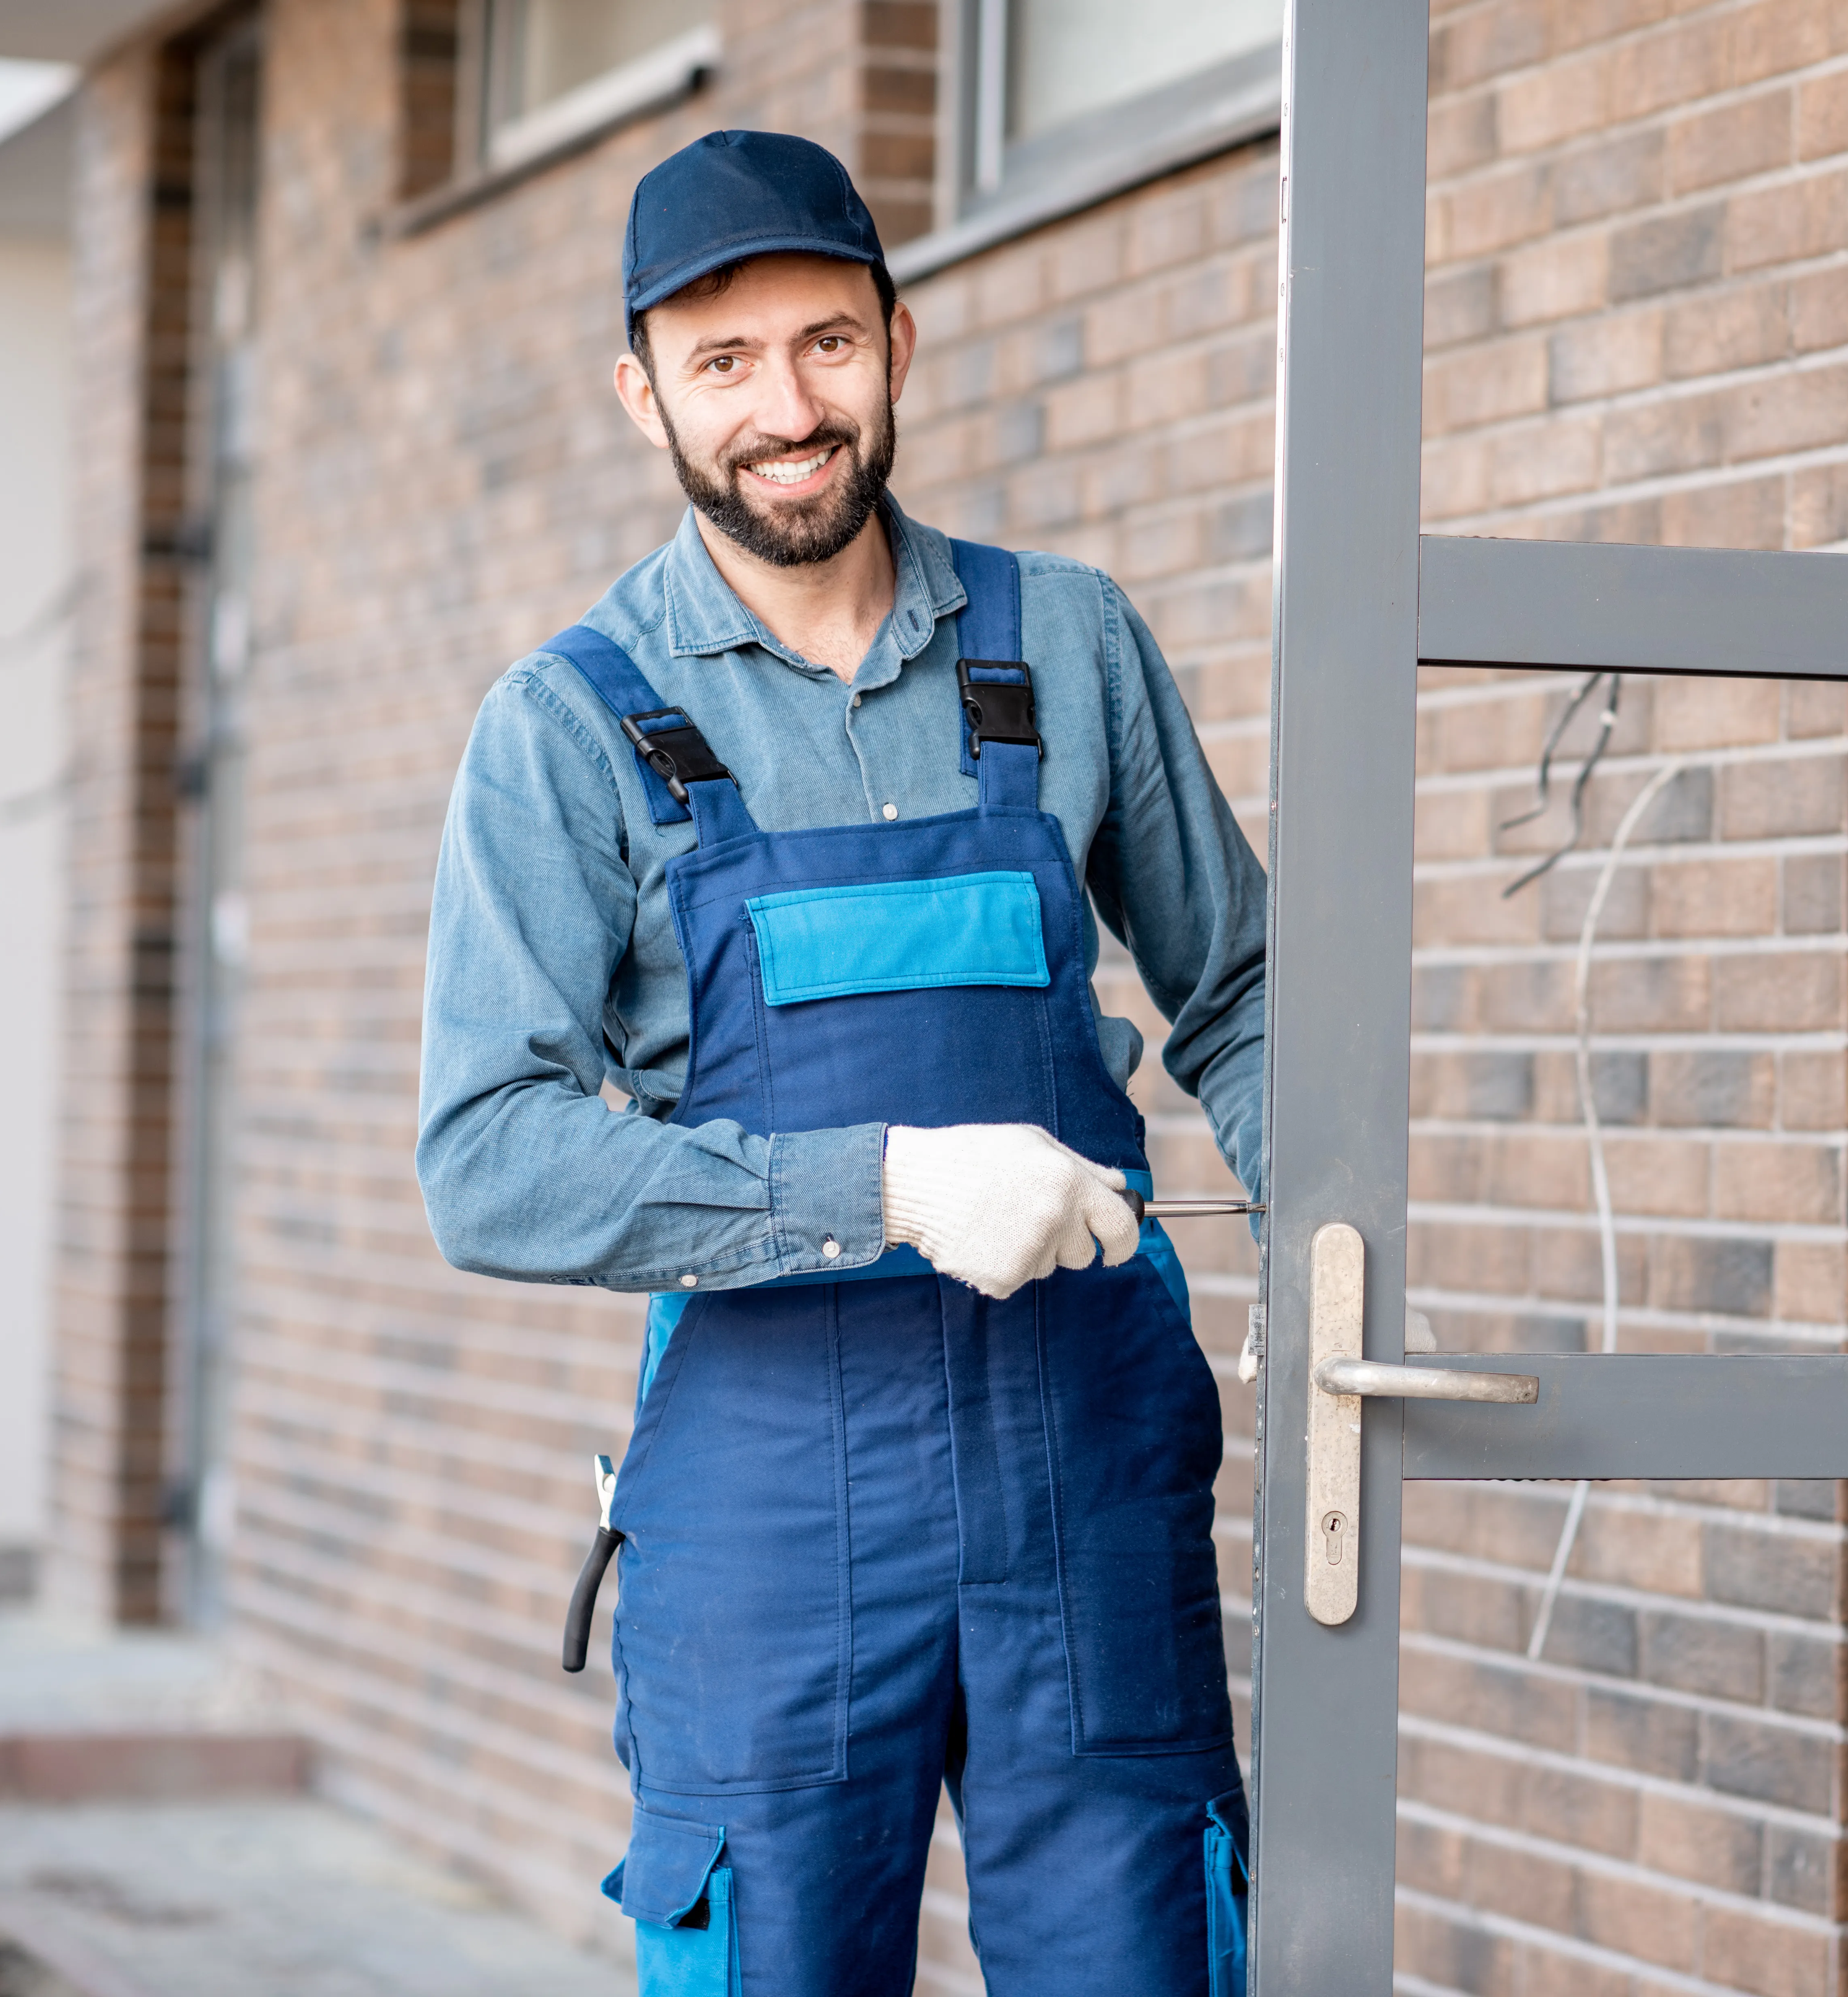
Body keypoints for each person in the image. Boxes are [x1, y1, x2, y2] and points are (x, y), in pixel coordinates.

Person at [414, 129, 1264, 1997]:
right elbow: (488, 1160)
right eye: (723, 362)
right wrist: (887, 1185)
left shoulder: (1069, 646)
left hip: (1087, 1491)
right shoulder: (567, 725)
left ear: (898, 343)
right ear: (642, 393)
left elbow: (1249, 988)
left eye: (825, 344)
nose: (787, 409)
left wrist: (1327, 1234)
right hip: (772, 1523)